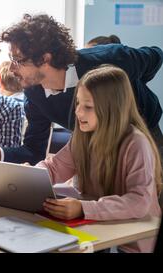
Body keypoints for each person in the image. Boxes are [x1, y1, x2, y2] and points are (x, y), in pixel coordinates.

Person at [0, 14, 163, 166]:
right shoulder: (34, 93)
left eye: (18, 60)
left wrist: (127, 89)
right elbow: (34, 151)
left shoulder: (111, 59)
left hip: (143, 131)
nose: (12, 68)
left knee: (152, 199)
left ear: (45, 59)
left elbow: (155, 55)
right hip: (95, 141)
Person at [38, 65, 161, 253]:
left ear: (112, 109)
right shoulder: (82, 137)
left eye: (88, 107)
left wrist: (83, 208)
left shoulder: (136, 143)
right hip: (99, 231)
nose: (78, 112)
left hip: (136, 240)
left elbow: (139, 202)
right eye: (78, 103)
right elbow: (55, 168)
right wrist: (31, 175)